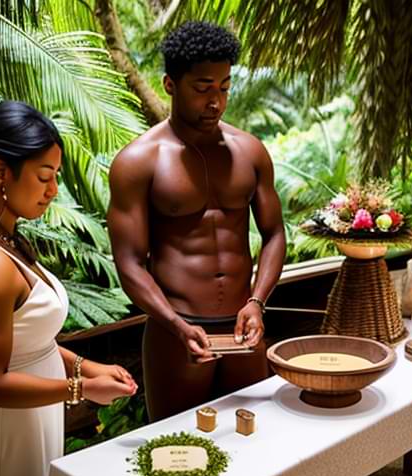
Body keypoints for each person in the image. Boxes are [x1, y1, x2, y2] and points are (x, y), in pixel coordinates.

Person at [108, 21, 286, 422]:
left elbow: (273, 233)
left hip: (244, 328)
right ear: (171, 84)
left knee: (252, 446)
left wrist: (257, 302)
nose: (216, 102)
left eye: (224, 87)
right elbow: (130, 262)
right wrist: (173, 323)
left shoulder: (250, 151)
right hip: (176, 333)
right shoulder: (139, 162)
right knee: (176, 451)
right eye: (202, 88)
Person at [0, 101, 138, 476]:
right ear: (0, 172)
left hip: (35, 414)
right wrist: (80, 389)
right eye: (43, 177)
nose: (53, 191)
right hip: (7, 427)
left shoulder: (9, 241)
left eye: (56, 178)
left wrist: (87, 367)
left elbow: (32, 341)